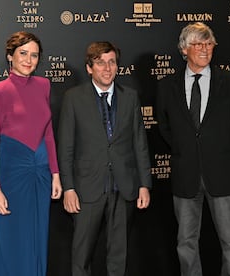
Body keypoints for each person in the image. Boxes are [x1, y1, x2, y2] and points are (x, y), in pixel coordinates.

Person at [156, 22, 230, 276]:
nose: (204, 49)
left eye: (208, 43)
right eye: (197, 44)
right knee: (185, 243)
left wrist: (226, 153)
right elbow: (164, 127)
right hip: (185, 175)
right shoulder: (168, 85)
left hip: (223, 175)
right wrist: (183, 149)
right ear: (184, 49)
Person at [58, 41, 152, 276]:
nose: (107, 68)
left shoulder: (130, 97)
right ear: (90, 68)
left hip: (124, 186)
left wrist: (144, 185)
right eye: (100, 63)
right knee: (82, 256)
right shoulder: (73, 98)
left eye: (112, 62)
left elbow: (139, 143)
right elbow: (66, 146)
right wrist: (68, 187)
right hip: (87, 188)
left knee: (119, 254)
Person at [0, 31, 62, 276]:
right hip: (12, 176)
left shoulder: (44, 85)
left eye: (34, 55)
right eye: (23, 53)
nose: (29, 60)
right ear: (10, 56)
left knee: (38, 237)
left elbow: (48, 131)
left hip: (40, 173)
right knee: (13, 240)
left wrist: (55, 173)